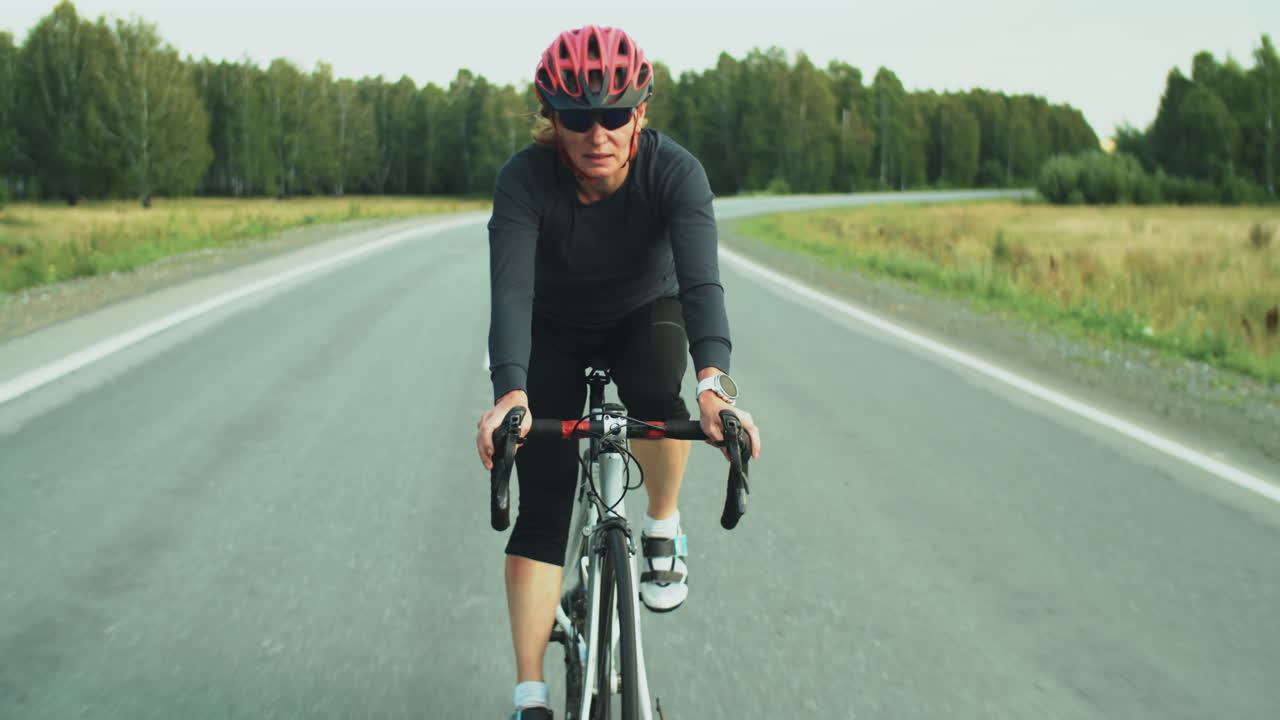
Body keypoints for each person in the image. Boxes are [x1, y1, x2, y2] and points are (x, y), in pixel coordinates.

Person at [474, 25, 762, 720]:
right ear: (552, 118)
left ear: (640, 112)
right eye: (577, 117)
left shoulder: (675, 173)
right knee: (541, 507)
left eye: (614, 114)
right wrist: (509, 392)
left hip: (645, 310)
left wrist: (716, 388)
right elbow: (511, 292)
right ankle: (530, 694)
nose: (596, 133)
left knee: (661, 398)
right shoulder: (523, 181)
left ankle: (662, 526)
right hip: (552, 328)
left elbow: (702, 290)